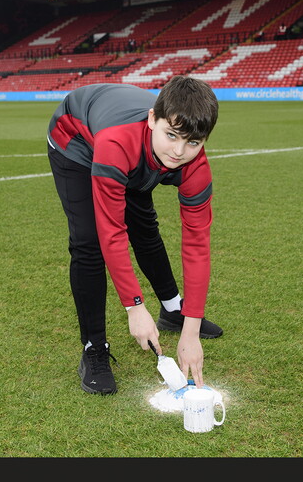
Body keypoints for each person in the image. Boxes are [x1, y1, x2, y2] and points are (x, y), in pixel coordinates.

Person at [46, 75, 223, 395]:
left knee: (145, 226)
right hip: (75, 140)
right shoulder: (117, 146)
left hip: (136, 152)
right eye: (172, 135)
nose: (180, 151)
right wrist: (134, 306)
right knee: (89, 243)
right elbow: (111, 233)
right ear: (153, 119)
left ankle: (173, 311)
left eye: (193, 143)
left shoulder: (194, 166)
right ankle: (93, 348)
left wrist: (192, 330)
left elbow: (197, 245)